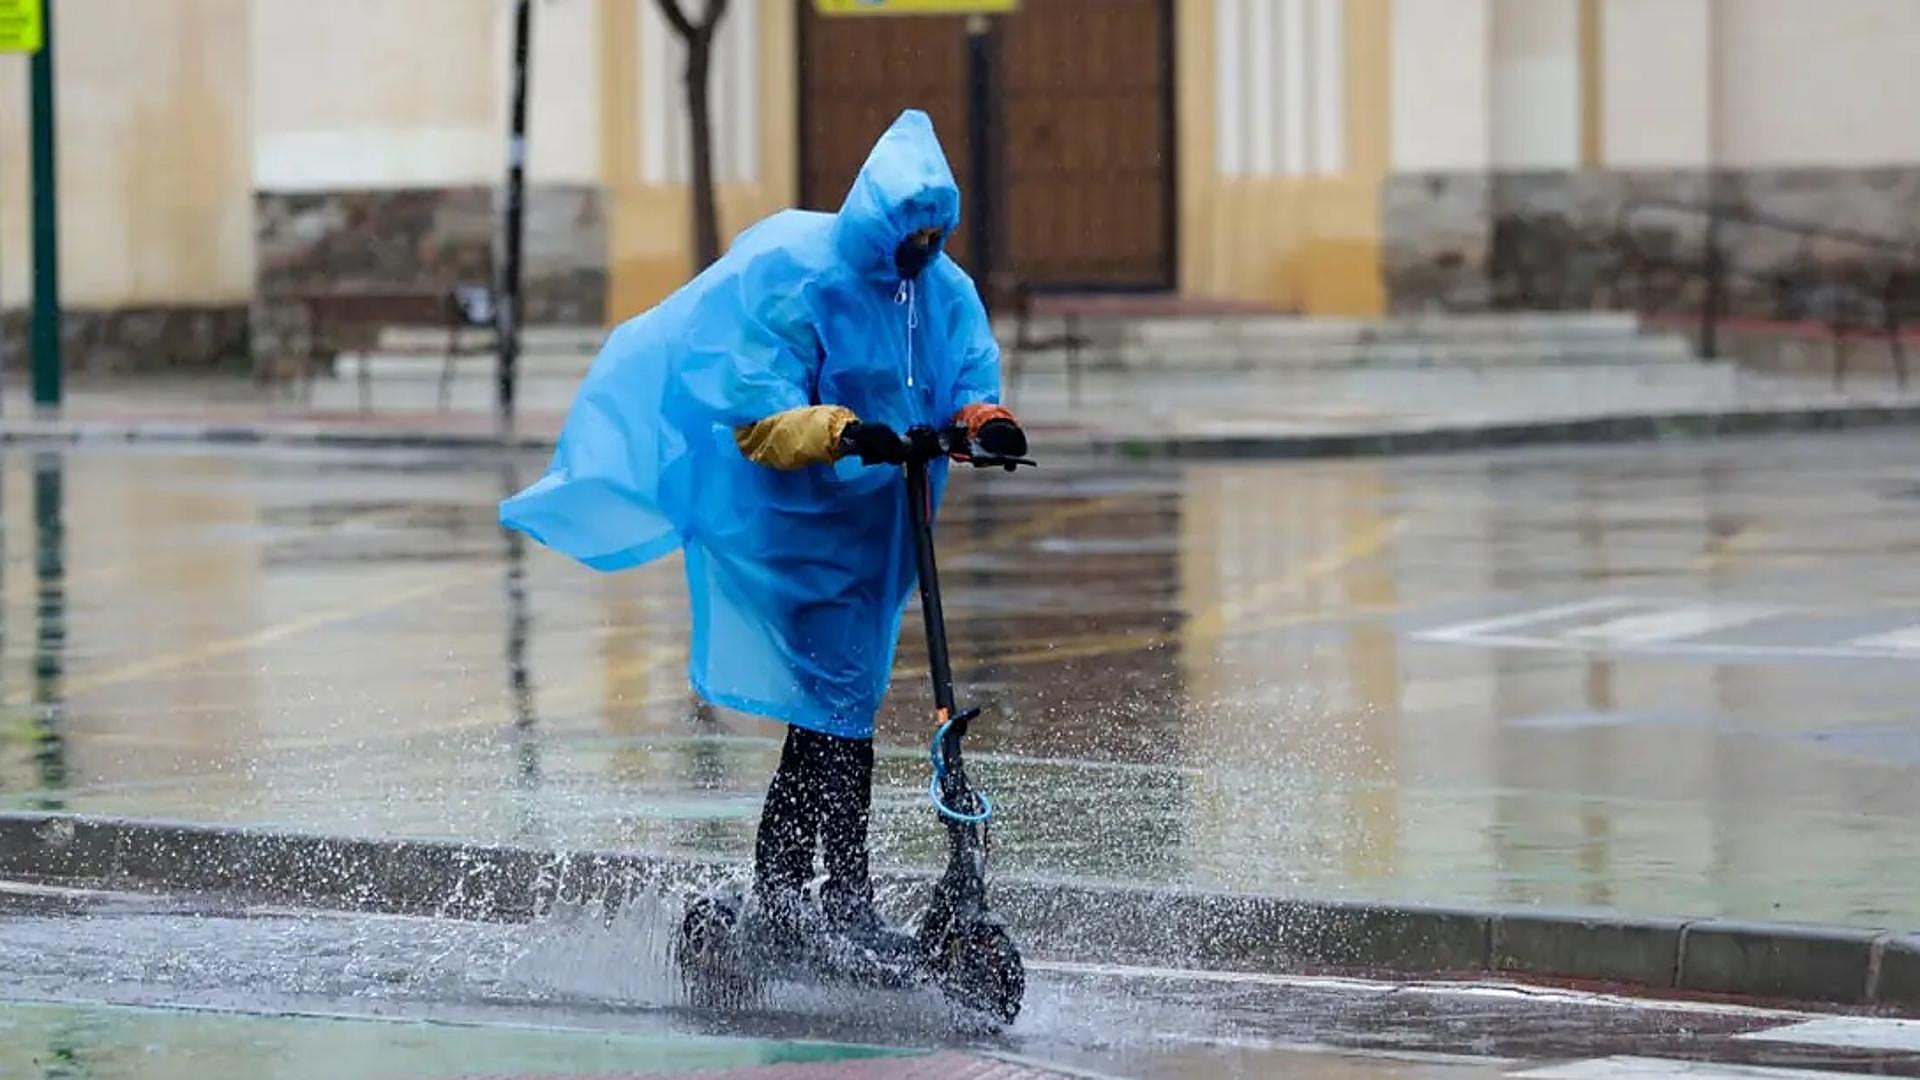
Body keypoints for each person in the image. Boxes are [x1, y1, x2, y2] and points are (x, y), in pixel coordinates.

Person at [499, 109, 1026, 960]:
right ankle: (839, 900)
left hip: (882, 531)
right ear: (876, 221)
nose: (922, 252)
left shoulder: (942, 290)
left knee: (827, 714)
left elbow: (968, 372)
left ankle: (781, 896)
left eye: (935, 238)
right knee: (837, 709)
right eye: (910, 237)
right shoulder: (798, 273)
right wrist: (840, 430)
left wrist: (982, 421)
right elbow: (757, 412)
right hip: (799, 526)